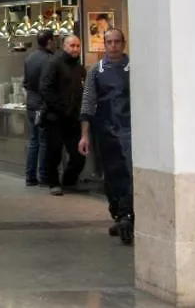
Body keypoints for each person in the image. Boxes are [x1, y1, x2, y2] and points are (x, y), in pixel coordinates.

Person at [79, 28, 133, 244]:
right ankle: (119, 213)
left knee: (129, 172)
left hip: (130, 128)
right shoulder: (96, 71)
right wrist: (85, 135)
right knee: (110, 175)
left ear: (124, 43)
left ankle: (127, 213)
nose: (113, 46)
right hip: (105, 130)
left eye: (117, 42)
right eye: (109, 42)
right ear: (104, 44)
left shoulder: (133, 69)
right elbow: (88, 102)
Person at [39, 34, 87, 196]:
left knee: (79, 155)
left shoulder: (79, 68)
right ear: (64, 46)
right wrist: (59, 107)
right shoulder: (54, 64)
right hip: (55, 118)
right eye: (72, 45)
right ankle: (53, 182)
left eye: (77, 46)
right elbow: (45, 88)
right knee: (54, 152)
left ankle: (69, 180)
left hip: (74, 119)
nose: (75, 49)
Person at [22, 29, 56, 187]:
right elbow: (48, 85)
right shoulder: (50, 60)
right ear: (49, 41)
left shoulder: (29, 58)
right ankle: (43, 175)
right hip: (42, 105)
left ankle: (30, 176)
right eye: (54, 40)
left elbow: (25, 82)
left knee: (33, 140)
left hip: (31, 103)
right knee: (43, 141)